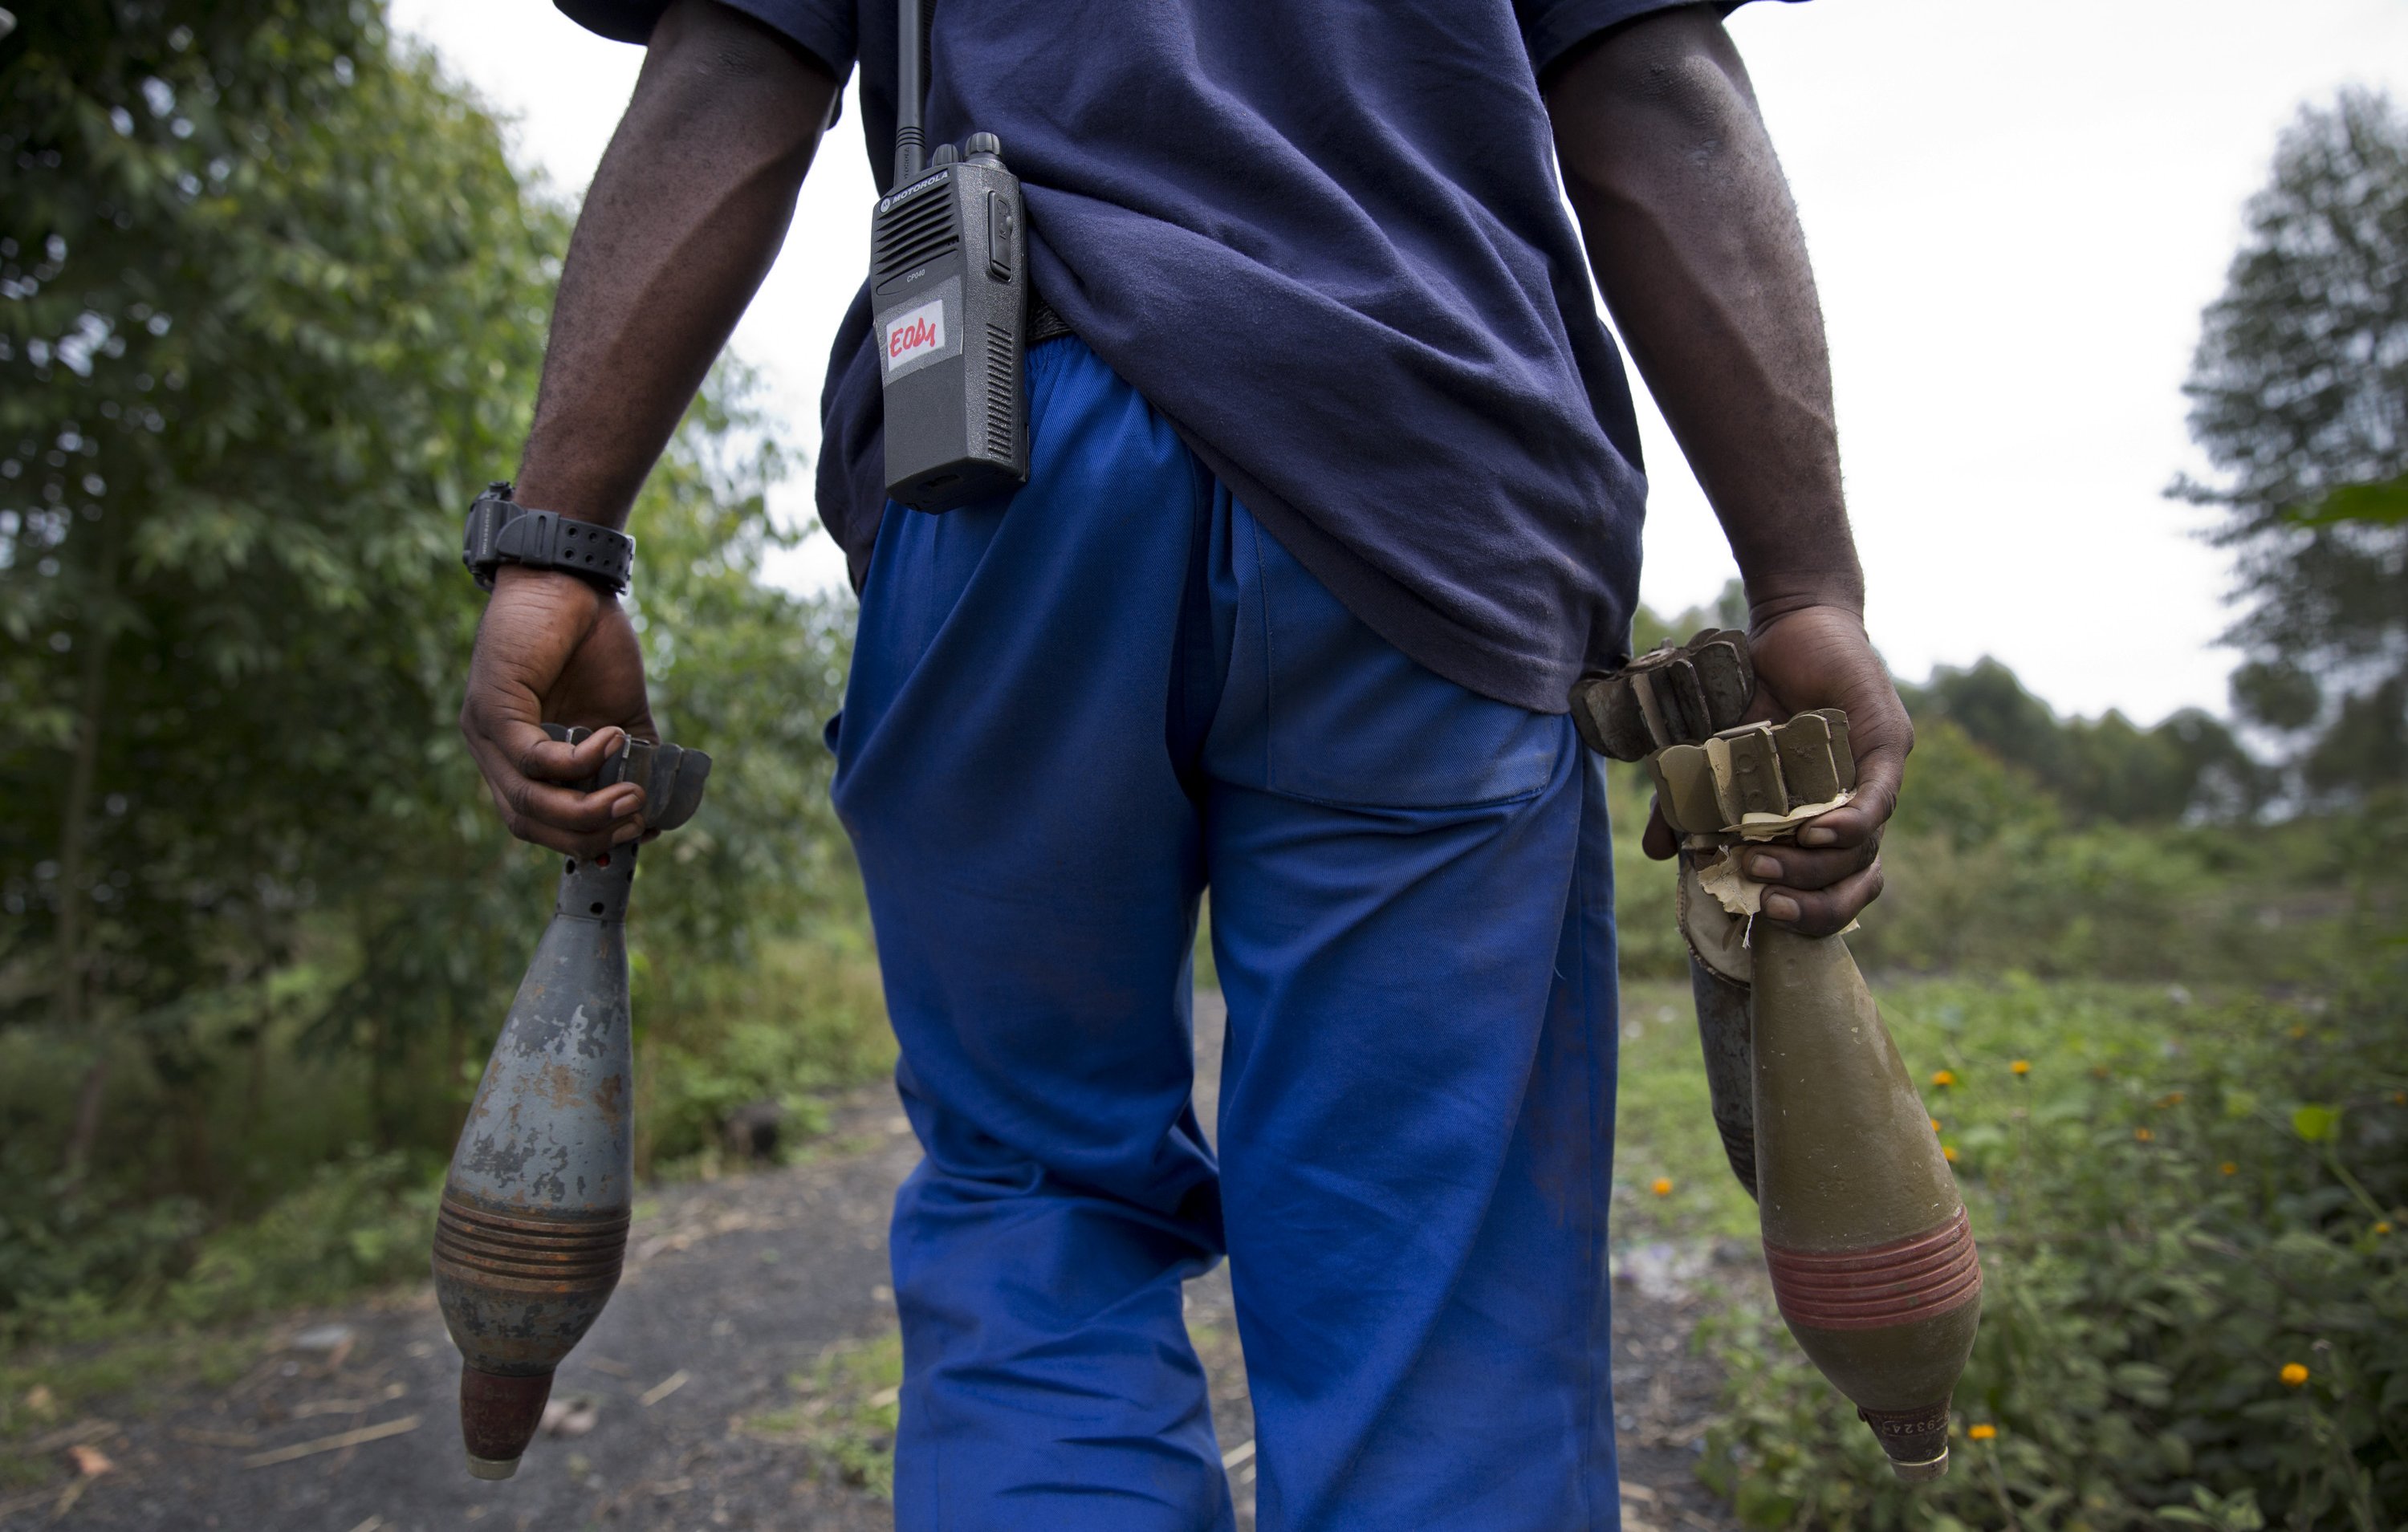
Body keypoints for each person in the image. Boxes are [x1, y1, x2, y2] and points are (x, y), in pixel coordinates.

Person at [456, 0, 1913, 1526]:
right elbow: (1649, 83)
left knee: (1035, 1212)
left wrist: (560, 539)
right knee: (1430, 1282)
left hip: (1002, 460)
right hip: (1422, 480)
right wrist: (1805, 582)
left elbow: (735, 66)